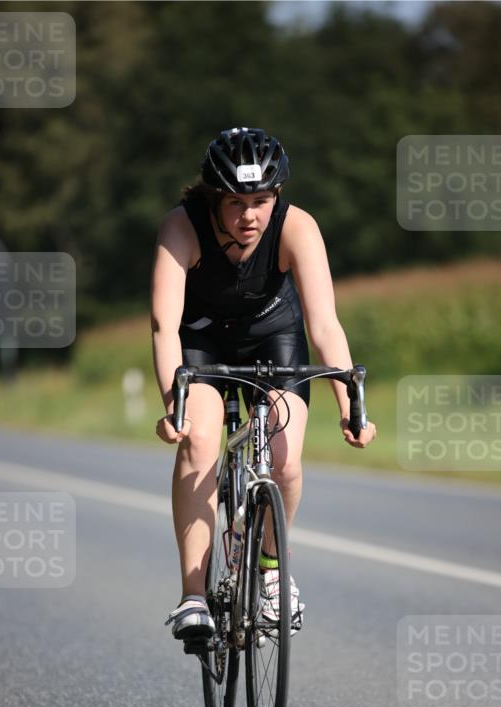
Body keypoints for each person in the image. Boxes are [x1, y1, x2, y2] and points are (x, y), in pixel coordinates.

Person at [150, 127, 377, 641]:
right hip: (202, 342)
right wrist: (173, 407)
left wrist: (350, 406)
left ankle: (272, 573)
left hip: (275, 338)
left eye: (261, 201)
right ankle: (193, 597)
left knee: (284, 459)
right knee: (200, 441)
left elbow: (325, 326)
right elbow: (164, 325)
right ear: (213, 198)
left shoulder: (298, 227)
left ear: (276, 196)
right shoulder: (181, 228)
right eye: (235, 202)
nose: (249, 216)